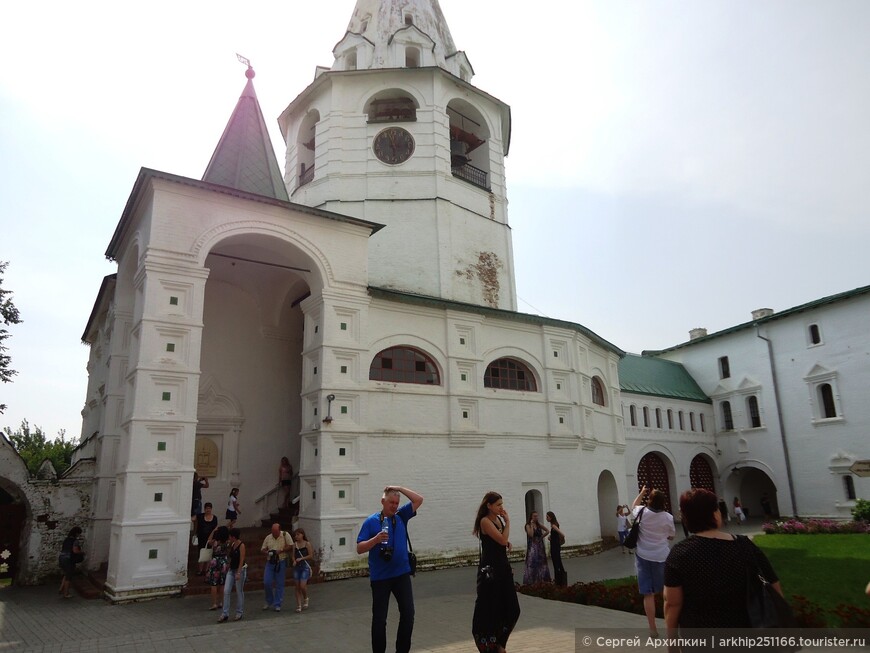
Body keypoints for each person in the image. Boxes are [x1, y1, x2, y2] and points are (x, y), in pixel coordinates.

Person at [664, 488, 785, 638]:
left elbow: (672, 603)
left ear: (686, 518)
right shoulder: (745, 545)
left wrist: (672, 644)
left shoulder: (680, 553)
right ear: (715, 514)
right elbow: (774, 586)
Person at [356, 485, 424, 653]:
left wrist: (399, 488)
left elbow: (419, 500)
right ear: (383, 501)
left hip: (401, 575)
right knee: (380, 619)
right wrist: (375, 540)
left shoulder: (401, 516)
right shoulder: (371, 521)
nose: (394, 506)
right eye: (391, 502)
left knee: (408, 614)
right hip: (380, 578)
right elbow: (359, 548)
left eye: (396, 502)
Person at [472, 491, 521, 653]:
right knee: (491, 607)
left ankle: (500, 643)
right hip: (490, 572)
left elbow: (501, 542)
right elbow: (502, 539)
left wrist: (505, 540)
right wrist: (508, 523)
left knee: (513, 609)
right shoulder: (485, 521)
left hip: (503, 568)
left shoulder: (498, 520)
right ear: (489, 505)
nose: (501, 507)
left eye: (502, 504)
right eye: (498, 504)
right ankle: (490, 645)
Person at [631, 486, 675, 638]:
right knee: (667, 593)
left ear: (649, 500)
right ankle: (671, 627)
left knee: (648, 594)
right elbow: (671, 536)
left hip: (643, 556)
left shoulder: (642, 512)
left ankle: (653, 629)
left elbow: (633, 507)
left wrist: (642, 492)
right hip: (662, 556)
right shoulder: (668, 517)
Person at [261, 522, 292, 611]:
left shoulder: (285, 535)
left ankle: (277, 603)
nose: (274, 533)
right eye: (272, 531)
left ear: (279, 530)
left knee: (280, 583)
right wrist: (267, 552)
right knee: (267, 582)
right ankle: (269, 600)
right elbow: (262, 549)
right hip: (270, 562)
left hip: (281, 561)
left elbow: (290, 545)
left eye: (275, 532)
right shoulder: (268, 537)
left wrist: (281, 550)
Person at [218, 527, 246, 622]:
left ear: (233, 537)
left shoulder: (241, 545)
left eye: (230, 536)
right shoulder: (233, 544)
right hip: (231, 569)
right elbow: (231, 557)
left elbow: (241, 559)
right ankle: (225, 613)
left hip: (239, 570)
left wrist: (238, 572)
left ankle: (239, 612)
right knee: (226, 590)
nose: (229, 538)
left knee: (239, 591)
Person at [522, 511, 551, 584]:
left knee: (541, 561)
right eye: (534, 516)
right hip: (532, 545)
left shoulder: (539, 524)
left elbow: (547, 531)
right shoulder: (528, 525)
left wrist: (541, 537)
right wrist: (531, 525)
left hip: (540, 545)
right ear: (531, 517)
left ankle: (542, 579)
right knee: (532, 561)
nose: (536, 517)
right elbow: (531, 535)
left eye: (537, 516)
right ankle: (532, 579)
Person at [206, 525, 230, 611]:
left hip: (215, 561)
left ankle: (214, 603)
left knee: (214, 583)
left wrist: (213, 531)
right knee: (222, 583)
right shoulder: (227, 542)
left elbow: (208, 541)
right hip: (224, 562)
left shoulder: (215, 542)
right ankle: (221, 602)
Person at [292, 527, 314, 613]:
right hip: (297, 567)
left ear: (302, 535)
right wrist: (294, 560)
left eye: (298, 534)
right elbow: (293, 555)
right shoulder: (295, 545)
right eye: (295, 535)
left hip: (305, 566)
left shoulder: (307, 544)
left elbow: (311, 555)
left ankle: (305, 598)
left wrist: (301, 558)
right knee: (297, 586)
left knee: (302, 585)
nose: (296, 536)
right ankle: (299, 605)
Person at [58, 526, 83, 599]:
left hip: (61, 557)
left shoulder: (66, 539)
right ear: (77, 533)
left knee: (66, 573)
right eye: (79, 534)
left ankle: (61, 589)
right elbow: (75, 550)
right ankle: (66, 593)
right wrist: (81, 552)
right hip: (68, 559)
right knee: (69, 576)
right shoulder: (75, 541)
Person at [193, 502, 219, 575]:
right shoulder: (200, 516)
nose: (208, 510)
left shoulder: (214, 518)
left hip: (210, 539)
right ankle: (200, 570)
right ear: (204, 509)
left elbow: (216, 528)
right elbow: (193, 519)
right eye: (207, 508)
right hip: (201, 538)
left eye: (209, 508)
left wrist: (214, 539)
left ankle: (206, 569)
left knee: (208, 554)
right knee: (201, 554)